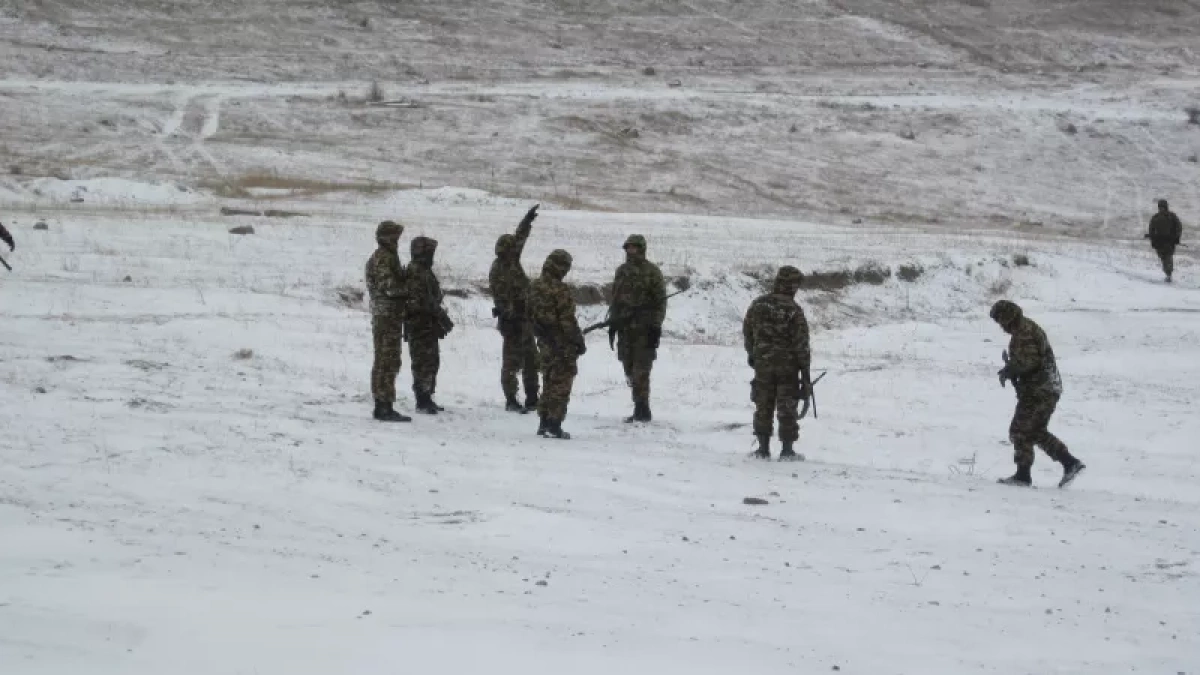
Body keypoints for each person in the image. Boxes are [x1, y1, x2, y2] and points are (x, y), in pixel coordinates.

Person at [990, 300, 1085, 488]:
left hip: (1041, 390)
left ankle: (1028, 474)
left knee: (1022, 430)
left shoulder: (1024, 332)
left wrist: (1011, 370)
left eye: (1001, 321)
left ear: (1008, 317)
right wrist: (1011, 369)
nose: (1001, 327)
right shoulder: (1023, 331)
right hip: (1041, 389)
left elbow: (1030, 362)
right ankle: (1065, 464)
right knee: (1030, 431)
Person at [742, 266, 812, 461]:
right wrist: (805, 371)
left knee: (763, 404)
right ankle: (787, 450)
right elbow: (801, 344)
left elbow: (747, 332)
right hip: (787, 367)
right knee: (787, 406)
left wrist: (753, 354)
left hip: (763, 364)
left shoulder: (758, 304)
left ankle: (763, 449)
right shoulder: (793, 310)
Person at [607, 234, 666, 423]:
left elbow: (660, 303)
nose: (630, 251)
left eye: (633, 247)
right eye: (628, 248)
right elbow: (615, 298)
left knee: (642, 369)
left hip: (644, 329)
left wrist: (655, 326)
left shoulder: (652, 272)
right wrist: (613, 322)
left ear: (641, 248)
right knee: (628, 366)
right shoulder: (621, 271)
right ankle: (638, 403)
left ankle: (642, 409)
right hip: (625, 330)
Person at [489, 205, 541, 413]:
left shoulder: (512, 261)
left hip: (524, 320)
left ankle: (532, 398)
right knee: (511, 362)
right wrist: (514, 312)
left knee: (531, 360)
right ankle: (511, 398)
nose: (514, 251)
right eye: (510, 250)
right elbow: (503, 300)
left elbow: (519, 238)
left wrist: (526, 222)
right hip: (512, 323)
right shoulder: (498, 271)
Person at [528, 249, 586, 439]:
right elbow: (567, 321)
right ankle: (554, 424)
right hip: (562, 344)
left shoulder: (534, 286)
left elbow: (529, 315)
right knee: (561, 383)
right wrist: (578, 341)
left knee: (548, 381)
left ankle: (543, 422)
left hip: (543, 342)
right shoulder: (559, 290)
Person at [364, 221, 411, 422]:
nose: (397, 241)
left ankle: (383, 403)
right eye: (395, 237)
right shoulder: (383, 258)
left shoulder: (387, 256)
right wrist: (408, 290)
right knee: (387, 360)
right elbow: (389, 287)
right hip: (386, 316)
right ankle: (383, 405)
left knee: (388, 359)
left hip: (389, 315)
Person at [405, 236, 454, 414]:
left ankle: (428, 395)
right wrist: (438, 313)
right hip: (419, 324)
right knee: (422, 362)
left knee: (432, 360)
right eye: (429, 251)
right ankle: (422, 399)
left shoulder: (424, 271)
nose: (432, 255)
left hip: (427, 324)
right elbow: (419, 301)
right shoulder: (416, 271)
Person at [1146, 199, 1183, 282]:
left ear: (1166, 207)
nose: (1161, 209)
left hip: (1169, 241)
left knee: (1168, 257)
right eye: (1160, 207)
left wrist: (1177, 237)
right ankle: (1167, 273)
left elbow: (1179, 227)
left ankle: (1169, 274)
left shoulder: (1172, 216)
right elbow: (1151, 229)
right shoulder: (1155, 217)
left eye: (1163, 207)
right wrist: (1153, 240)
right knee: (1163, 257)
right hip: (1159, 242)